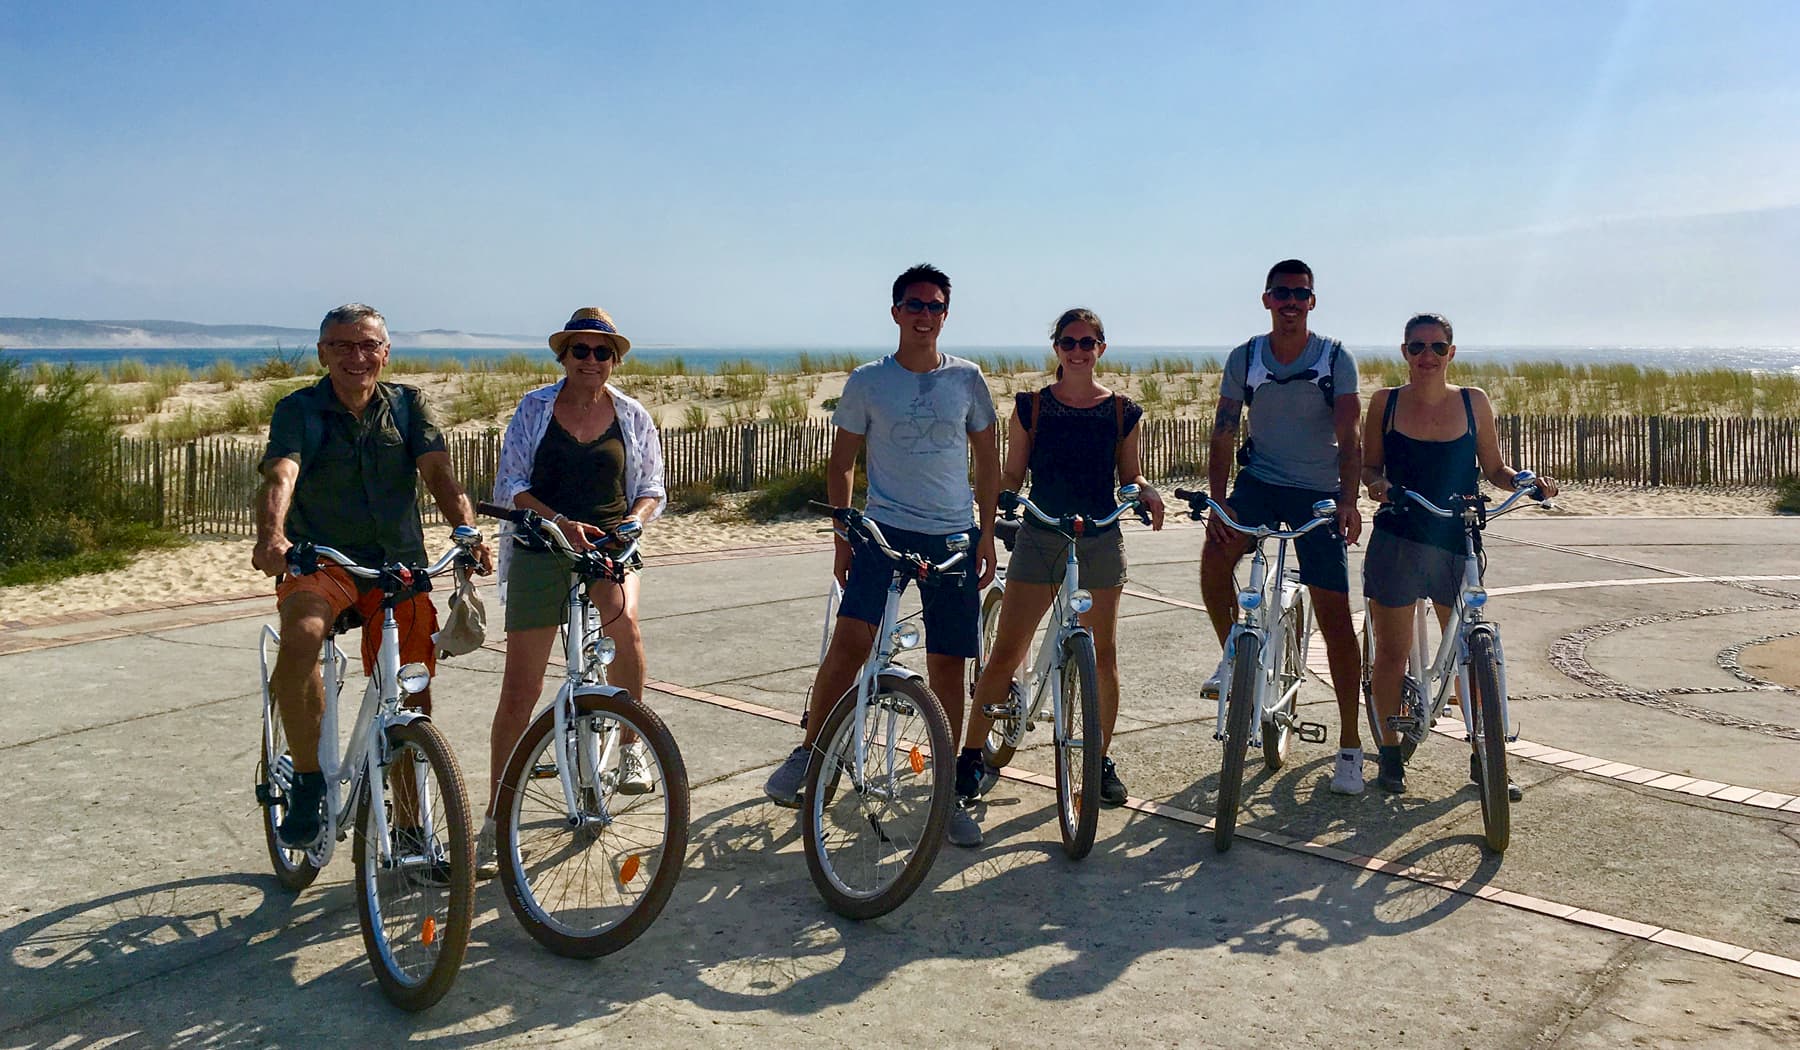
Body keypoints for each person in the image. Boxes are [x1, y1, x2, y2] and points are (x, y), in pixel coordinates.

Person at [762, 263, 1000, 849]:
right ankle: (812, 753)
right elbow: (841, 462)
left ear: (947, 314)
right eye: (914, 305)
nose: (925, 315)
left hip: (952, 535)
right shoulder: (869, 381)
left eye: (935, 306)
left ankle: (943, 795)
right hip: (882, 530)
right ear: (895, 312)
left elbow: (989, 463)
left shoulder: (968, 379)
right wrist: (843, 536)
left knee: (949, 665)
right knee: (851, 645)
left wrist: (987, 534)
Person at [253, 303, 493, 851]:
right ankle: (311, 781)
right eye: (341, 346)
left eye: (367, 346)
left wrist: (465, 532)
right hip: (323, 560)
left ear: (385, 352)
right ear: (322, 353)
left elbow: (438, 471)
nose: (356, 357)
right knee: (303, 636)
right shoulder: (300, 410)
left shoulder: (408, 407)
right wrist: (272, 536)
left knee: (411, 697)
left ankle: (410, 830)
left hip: (396, 564)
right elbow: (281, 472)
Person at [964, 308, 1165, 829]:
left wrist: (1143, 491)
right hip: (1041, 532)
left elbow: (1130, 473)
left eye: (1088, 342)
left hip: (1099, 536)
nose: (1078, 350)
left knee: (1104, 656)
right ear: (1056, 347)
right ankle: (969, 757)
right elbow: (1013, 469)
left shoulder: (1122, 411)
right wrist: (1003, 497)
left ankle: (1097, 760)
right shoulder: (1031, 407)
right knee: (1008, 650)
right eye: (1069, 341)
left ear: (1102, 348)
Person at [486, 307, 666, 876]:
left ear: (615, 359)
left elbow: (651, 489)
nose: (592, 361)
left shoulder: (631, 415)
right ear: (563, 356)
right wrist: (558, 521)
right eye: (581, 350)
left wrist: (633, 522)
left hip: (609, 546)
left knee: (624, 629)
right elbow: (511, 484)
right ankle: (497, 814)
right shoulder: (535, 409)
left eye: (603, 352)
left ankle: (633, 748)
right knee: (522, 687)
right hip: (544, 544)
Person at [1360, 313, 1557, 794]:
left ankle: (1486, 758)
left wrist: (1525, 482)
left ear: (1452, 352)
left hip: (1456, 537)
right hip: (1400, 535)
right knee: (1391, 652)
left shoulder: (1474, 403)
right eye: (1417, 347)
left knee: (1472, 651)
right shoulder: (1384, 404)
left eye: (1437, 347)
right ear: (1403, 352)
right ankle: (1389, 757)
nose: (1427, 356)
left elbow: (1493, 467)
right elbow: (1367, 468)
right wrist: (1379, 485)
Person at [1201, 259, 1368, 793]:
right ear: (1266, 299)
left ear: (1312, 301)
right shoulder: (1246, 357)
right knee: (1213, 564)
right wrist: (1220, 502)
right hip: (1260, 484)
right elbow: (1225, 431)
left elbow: (1351, 433)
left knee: (1336, 616)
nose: (1291, 302)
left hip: (1317, 493)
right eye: (1281, 293)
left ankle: (1349, 743)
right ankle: (1237, 662)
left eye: (1300, 293)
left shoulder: (1335, 358)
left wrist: (1347, 500)